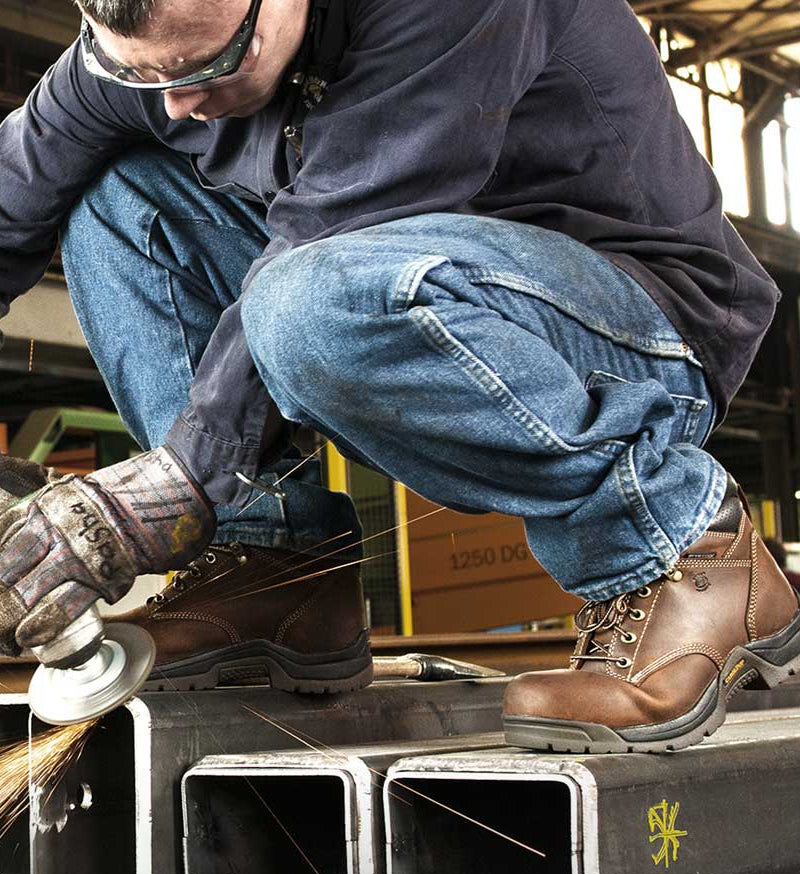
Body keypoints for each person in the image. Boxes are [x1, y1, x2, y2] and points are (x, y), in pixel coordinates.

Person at [0, 0, 798, 750]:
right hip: (382, 288)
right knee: (114, 197)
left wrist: (171, 490)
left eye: (209, 65)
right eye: (144, 76)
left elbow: (326, 242)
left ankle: (682, 546)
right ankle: (277, 572)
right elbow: (14, 198)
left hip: (636, 326)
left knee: (308, 299)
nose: (177, 104)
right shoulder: (157, 53)